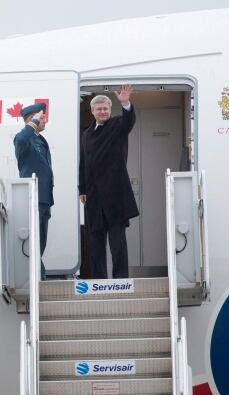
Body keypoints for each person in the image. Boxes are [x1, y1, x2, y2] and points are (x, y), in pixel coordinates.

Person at [78, 85, 138, 279]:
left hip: (115, 194)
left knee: (117, 241)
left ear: (110, 111)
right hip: (94, 196)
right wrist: (82, 189)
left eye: (106, 109)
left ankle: (120, 279)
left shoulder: (117, 125)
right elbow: (83, 164)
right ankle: (99, 279)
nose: (103, 111)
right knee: (96, 242)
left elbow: (130, 120)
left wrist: (125, 103)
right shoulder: (86, 134)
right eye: (99, 109)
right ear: (93, 111)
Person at [13, 102, 53, 280]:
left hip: (44, 197)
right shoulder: (24, 139)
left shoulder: (39, 140)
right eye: (41, 118)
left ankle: (39, 273)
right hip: (33, 197)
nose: (45, 121)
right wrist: (33, 123)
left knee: (41, 239)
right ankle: (39, 276)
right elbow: (21, 139)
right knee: (35, 239)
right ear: (31, 119)